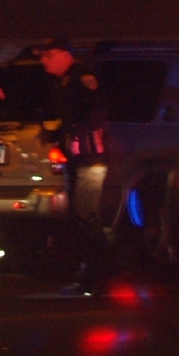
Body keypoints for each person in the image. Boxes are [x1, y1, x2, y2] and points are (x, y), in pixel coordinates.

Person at [27, 38, 114, 295]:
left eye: (48, 55)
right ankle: (93, 272)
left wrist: (77, 135)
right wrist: (56, 136)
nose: (43, 61)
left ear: (64, 54)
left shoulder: (82, 78)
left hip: (90, 159)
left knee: (85, 214)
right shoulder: (64, 82)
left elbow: (96, 113)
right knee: (78, 216)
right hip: (77, 160)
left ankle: (102, 273)